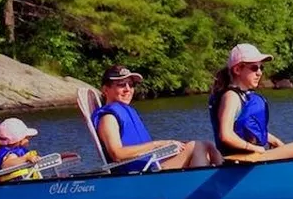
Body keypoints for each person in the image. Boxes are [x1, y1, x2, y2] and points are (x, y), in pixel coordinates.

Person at [93, 65, 221, 173]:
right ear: (105, 89)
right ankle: (204, 191)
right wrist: (157, 144)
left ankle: (223, 175)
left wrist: (171, 143)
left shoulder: (124, 110)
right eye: (121, 85)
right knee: (197, 146)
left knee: (207, 144)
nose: (128, 89)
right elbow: (117, 154)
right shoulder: (108, 118)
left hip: (149, 163)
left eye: (131, 85)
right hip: (137, 173)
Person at [209, 44, 293, 160]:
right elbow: (226, 135)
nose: (259, 73)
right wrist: (253, 147)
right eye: (254, 68)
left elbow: (249, 129)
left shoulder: (242, 95)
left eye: (261, 68)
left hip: (249, 157)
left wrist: (274, 140)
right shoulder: (231, 97)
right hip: (238, 159)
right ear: (237, 70)